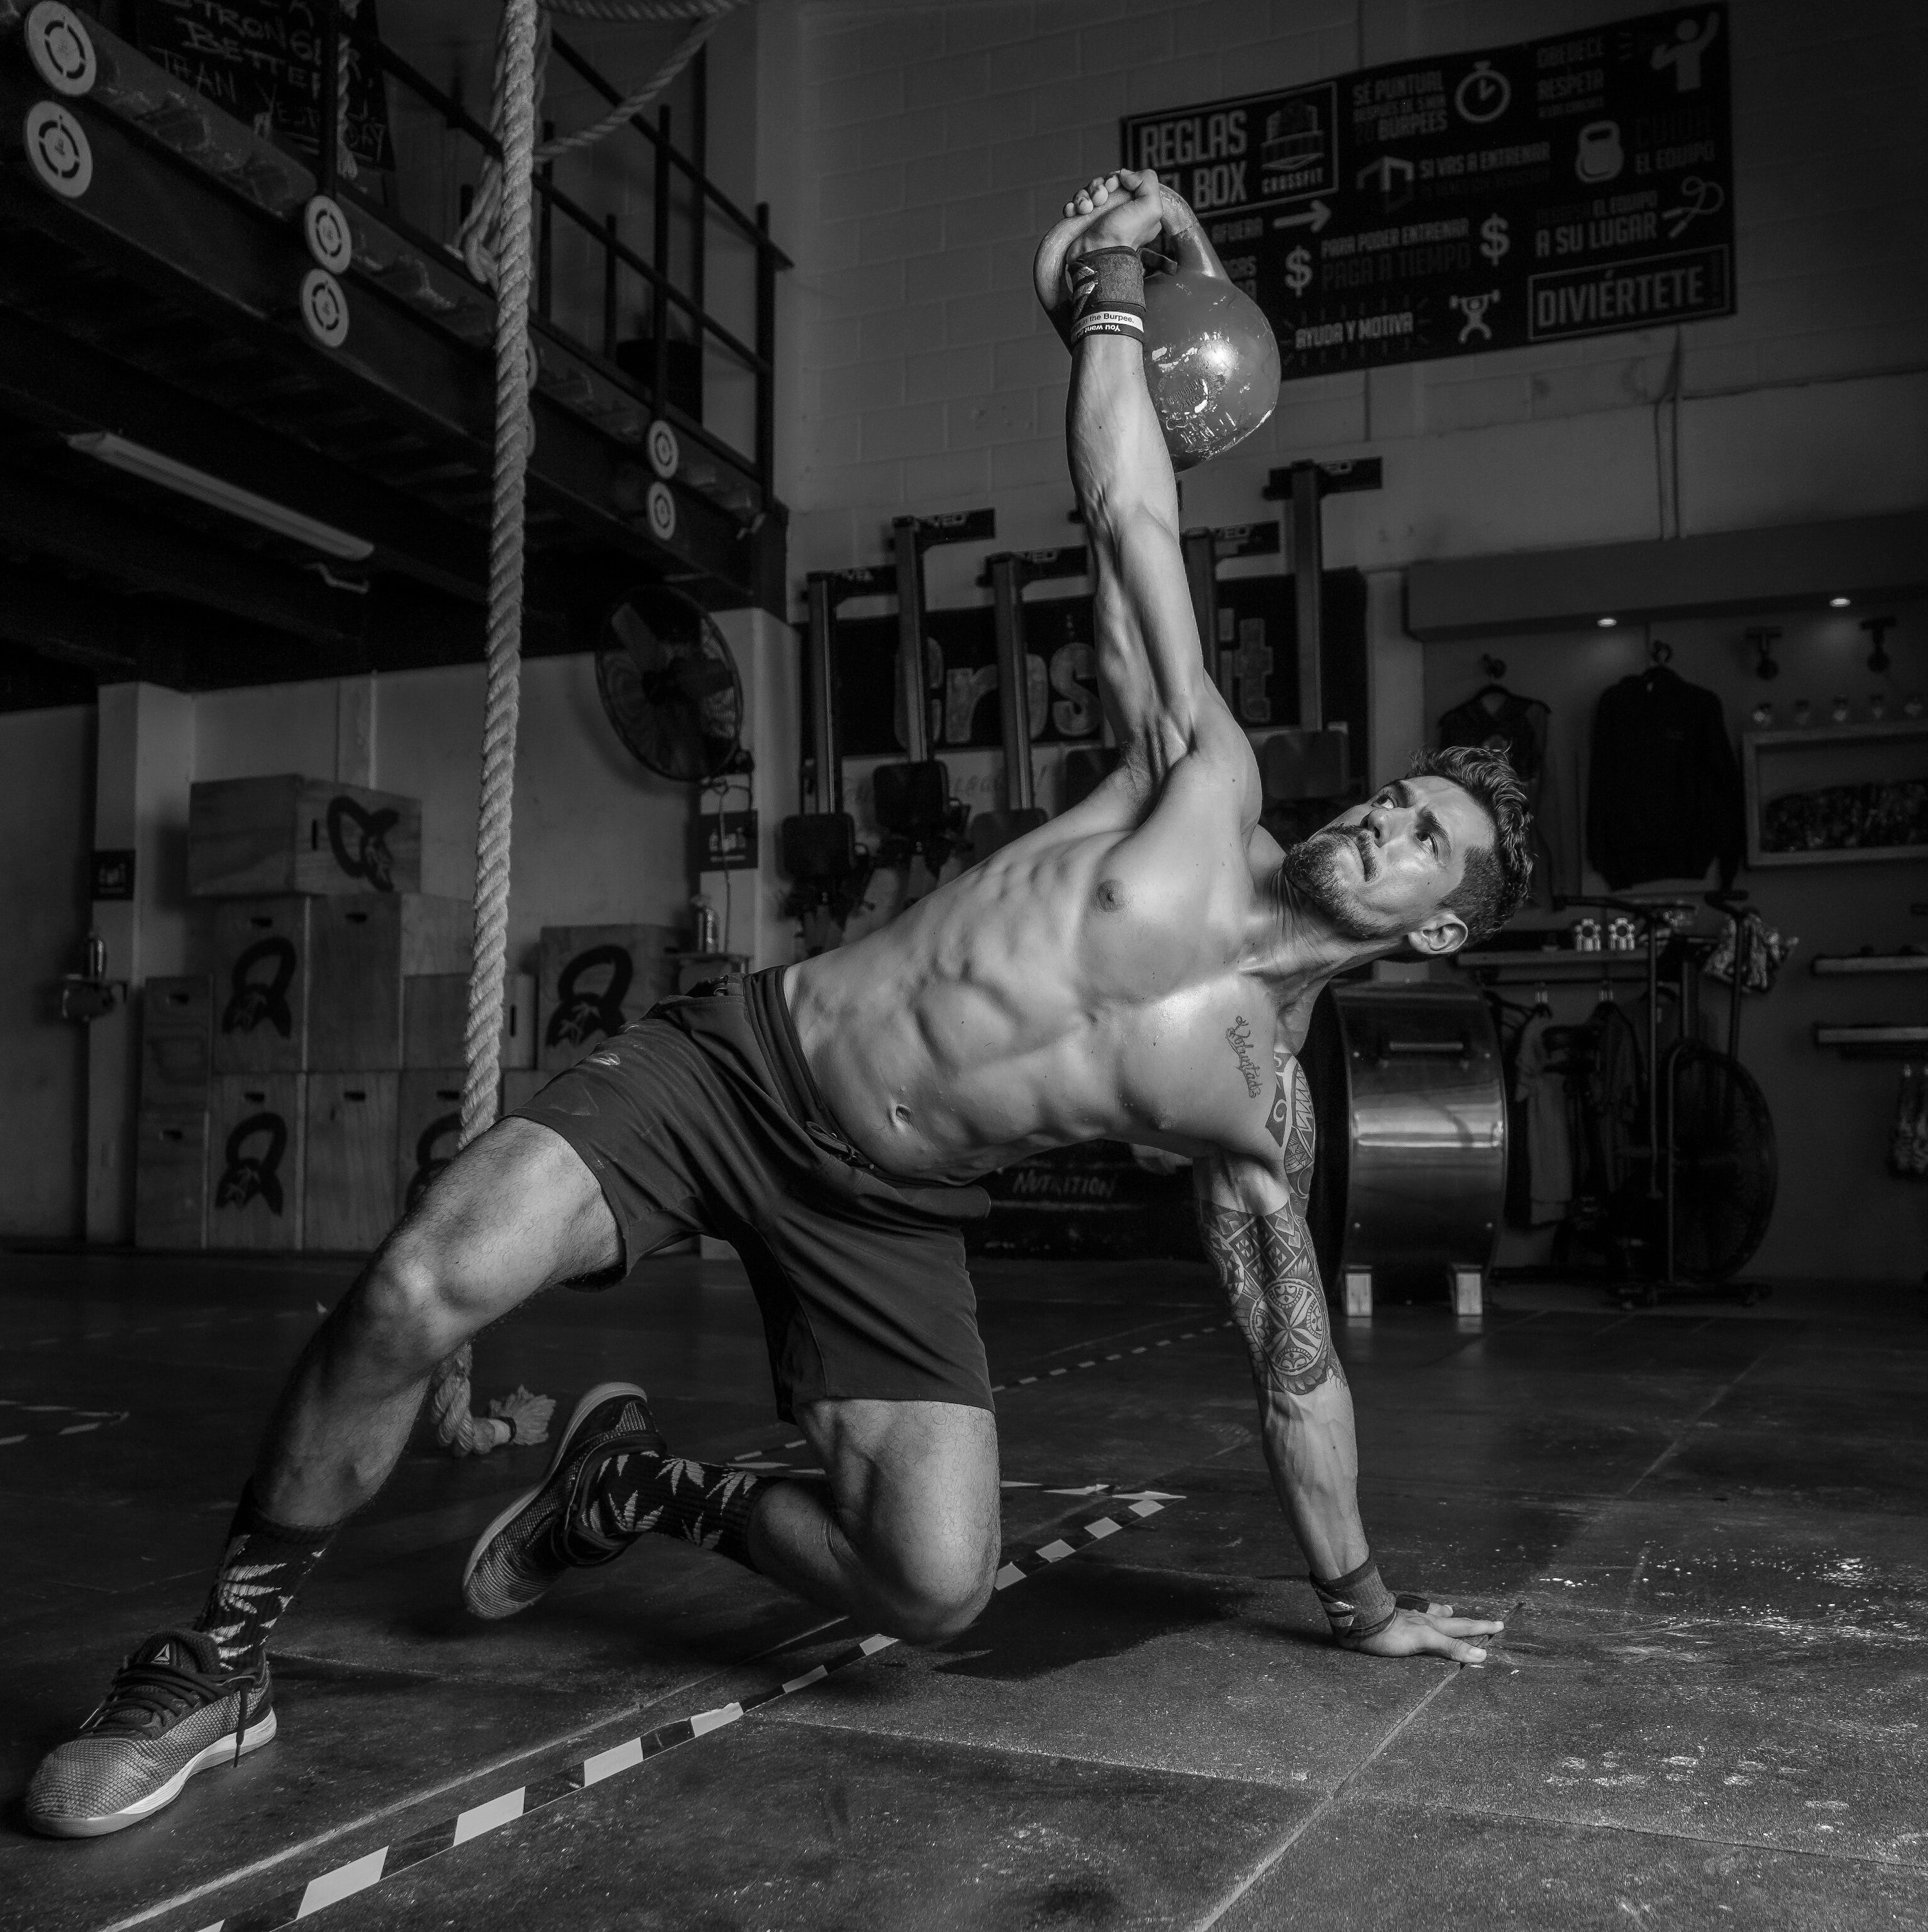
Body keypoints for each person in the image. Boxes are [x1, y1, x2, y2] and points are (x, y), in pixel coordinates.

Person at [25, 169, 1530, 1838]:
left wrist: (1363, 1606)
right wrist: (1116, 284)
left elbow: (1296, 1374)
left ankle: (637, 1485)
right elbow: (1129, 517)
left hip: (890, 1218)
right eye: (1396, 797)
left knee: (935, 1585)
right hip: (740, 1073)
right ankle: (222, 1660)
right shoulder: (1201, 782)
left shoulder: (1263, 1108)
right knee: (420, 1281)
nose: (1379, 823)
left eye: (1421, 841)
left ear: (1434, 930)